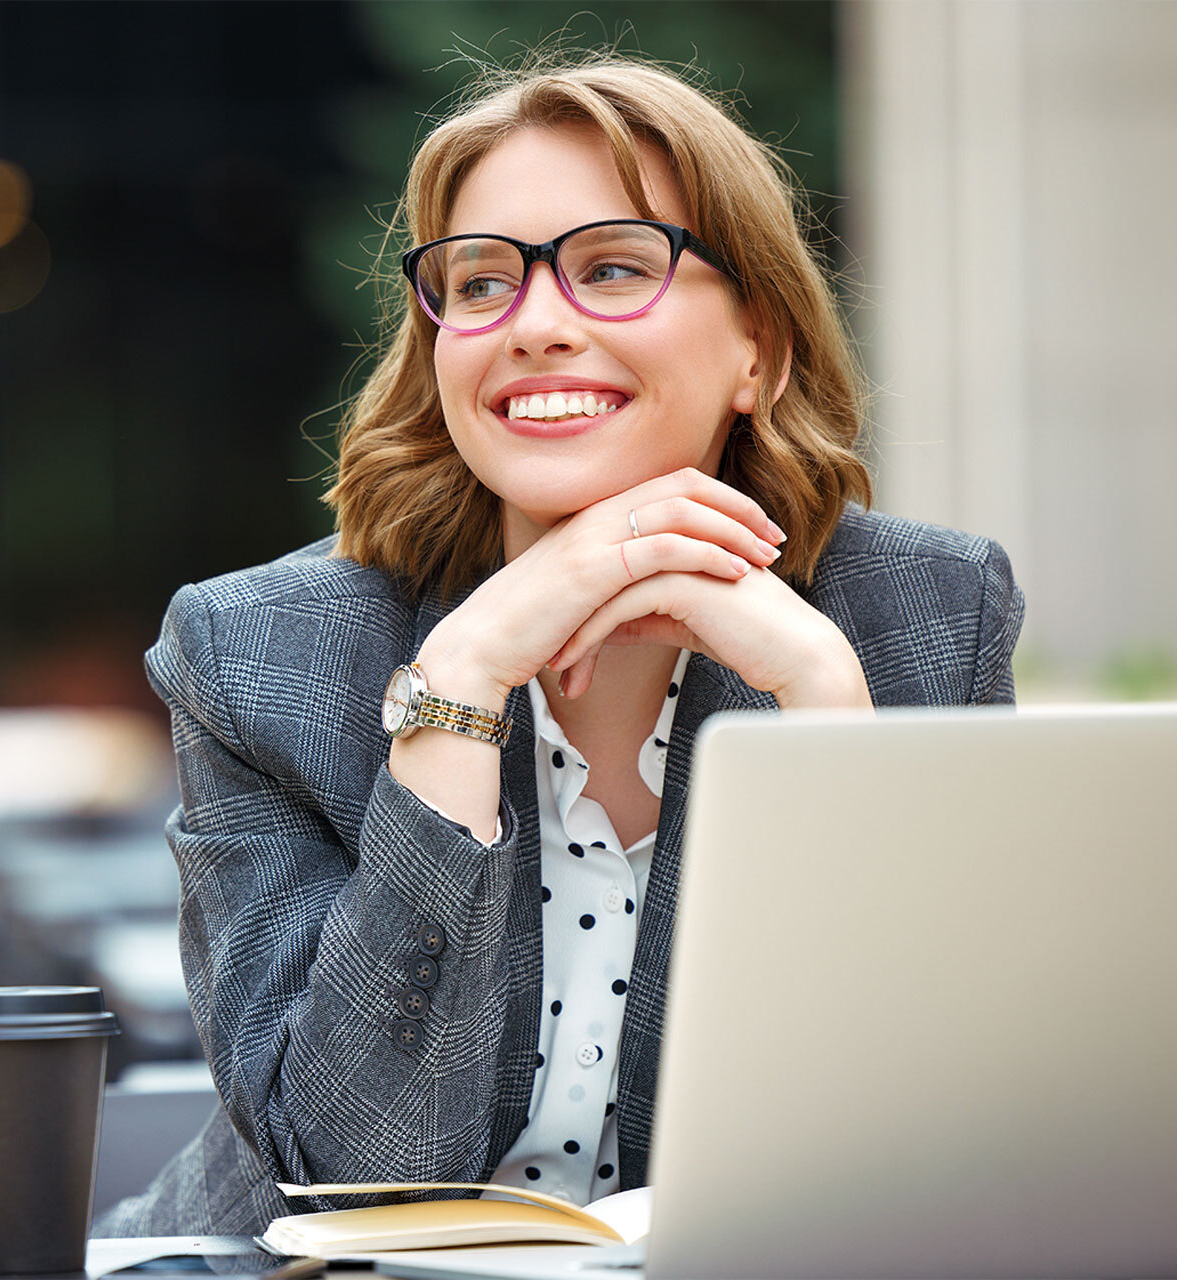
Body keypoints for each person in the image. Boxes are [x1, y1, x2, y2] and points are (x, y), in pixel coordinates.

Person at [96, 53, 1023, 1237]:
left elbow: (943, 1139)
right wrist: (458, 688)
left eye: (614, 268)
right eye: (480, 284)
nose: (534, 324)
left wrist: (828, 713)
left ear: (761, 350)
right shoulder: (257, 652)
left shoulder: (924, 617)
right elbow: (352, 1168)